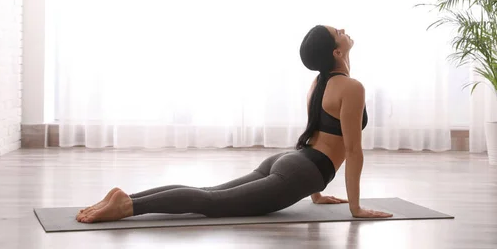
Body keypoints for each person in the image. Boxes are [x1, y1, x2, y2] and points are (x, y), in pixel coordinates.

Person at [76, 25, 393, 223]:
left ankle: (126, 198)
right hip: (302, 170)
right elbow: (352, 150)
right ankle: (127, 206)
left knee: (208, 192)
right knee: (213, 202)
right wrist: (356, 208)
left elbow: (320, 135)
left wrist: (317, 193)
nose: (343, 28)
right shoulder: (352, 88)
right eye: (337, 31)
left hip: (292, 162)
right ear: (337, 52)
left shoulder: (318, 84)